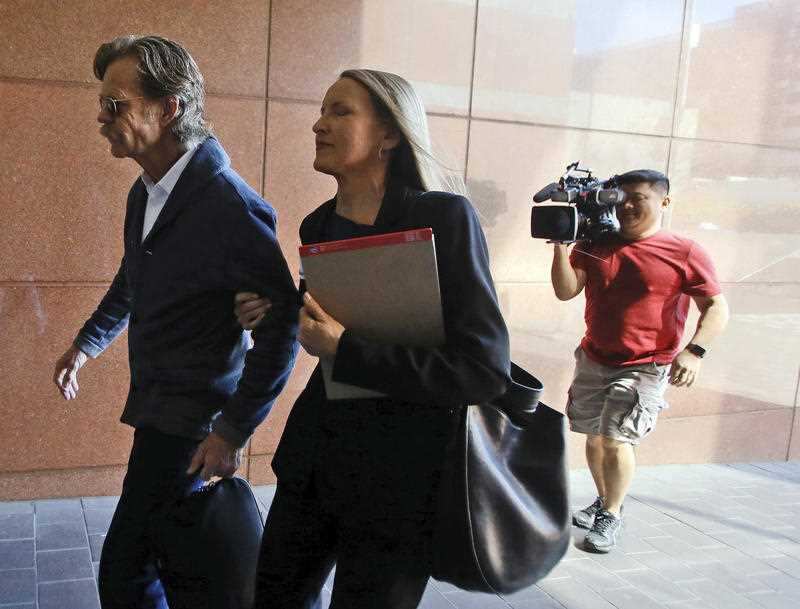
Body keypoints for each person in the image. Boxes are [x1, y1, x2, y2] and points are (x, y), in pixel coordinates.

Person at [235, 69, 511, 608]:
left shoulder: (443, 217)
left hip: (404, 480)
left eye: (340, 111)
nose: (319, 124)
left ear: (389, 133)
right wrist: (275, 313)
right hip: (315, 463)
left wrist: (344, 349)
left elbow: (482, 370)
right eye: (322, 110)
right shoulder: (318, 225)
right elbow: (327, 323)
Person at [51, 35, 299, 608]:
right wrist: (87, 344)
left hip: (193, 426)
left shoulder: (231, 206)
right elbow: (131, 280)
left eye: (115, 104)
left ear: (169, 108)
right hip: (158, 412)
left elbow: (281, 329)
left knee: (127, 572)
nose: (101, 118)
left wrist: (232, 431)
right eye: (102, 104)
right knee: (150, 566)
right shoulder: (146, 194)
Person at [551, 169, 729, 553]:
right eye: (622, 198)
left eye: (639, 198)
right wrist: (560, 246)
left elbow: (716, 307)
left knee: (615, 438)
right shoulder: (595, 244)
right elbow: (566, 290)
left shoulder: (684, 251)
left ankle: (611, 513)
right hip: (594, 356)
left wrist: (695, 351)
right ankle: (604, 499)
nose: (627, 206)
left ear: (664, 201)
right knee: (595, 437)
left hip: (645, 364)